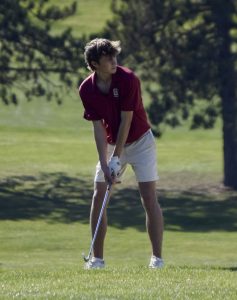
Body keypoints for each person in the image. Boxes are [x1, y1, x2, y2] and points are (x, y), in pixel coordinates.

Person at [79, 38, 164, 269]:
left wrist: (116, 157)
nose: (114, 60)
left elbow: (126, 120)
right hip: (111, 144)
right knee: (99, 197)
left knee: (148, 198)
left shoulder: (128, 79)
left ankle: (157, 258)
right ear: (94, 63)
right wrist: (104, 163)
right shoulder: (87, 89)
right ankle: (97, 260)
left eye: (114, 55)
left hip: (140, 142)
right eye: (107, 57)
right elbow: (97, 127)